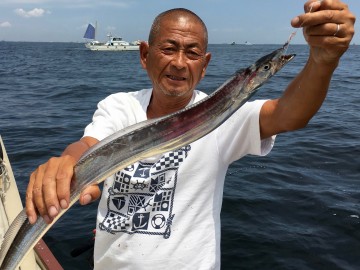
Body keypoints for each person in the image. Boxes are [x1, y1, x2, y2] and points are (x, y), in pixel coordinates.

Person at [26, 1, 355, 269]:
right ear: (145, 55)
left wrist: (322, 62)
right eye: (169, 48)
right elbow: (88, 145)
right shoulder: (119, 107)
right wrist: (66, 162)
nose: (180, 63)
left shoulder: (224, 114)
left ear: (206, 64)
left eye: (192, 53)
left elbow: (288, 115)